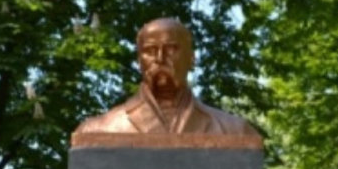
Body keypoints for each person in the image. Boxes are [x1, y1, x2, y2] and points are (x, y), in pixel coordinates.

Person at [74, 17, 261, 137]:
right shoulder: (98, 131)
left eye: (171, 49)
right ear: (139, 61)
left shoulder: (234, 131)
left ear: (191, 58)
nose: (160, 58)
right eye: (150, 51)